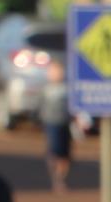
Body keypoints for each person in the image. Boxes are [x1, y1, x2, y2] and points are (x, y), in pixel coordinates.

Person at [38, 59, 73, 194]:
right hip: (51, 123)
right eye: (53, 71)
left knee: (65, 154)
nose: (56, 73)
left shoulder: (67, 89)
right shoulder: (46, 90)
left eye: (59, 70)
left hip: (65, 124)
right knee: (54, 151)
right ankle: (56, 178)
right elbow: (39, 107)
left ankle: (61, 177)